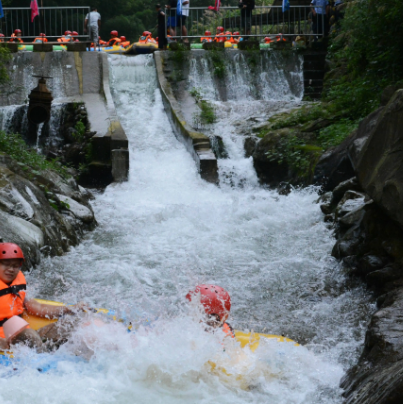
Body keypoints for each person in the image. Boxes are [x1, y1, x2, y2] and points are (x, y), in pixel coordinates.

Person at [0, 243, 86, 351]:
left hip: (23, 335)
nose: (11, 269)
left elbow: (38, 307)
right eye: (6, 264)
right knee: (30, 335)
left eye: (15, 265)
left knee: (72, 324)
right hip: (7, 341)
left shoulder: (17, 283)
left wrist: (68, 309)